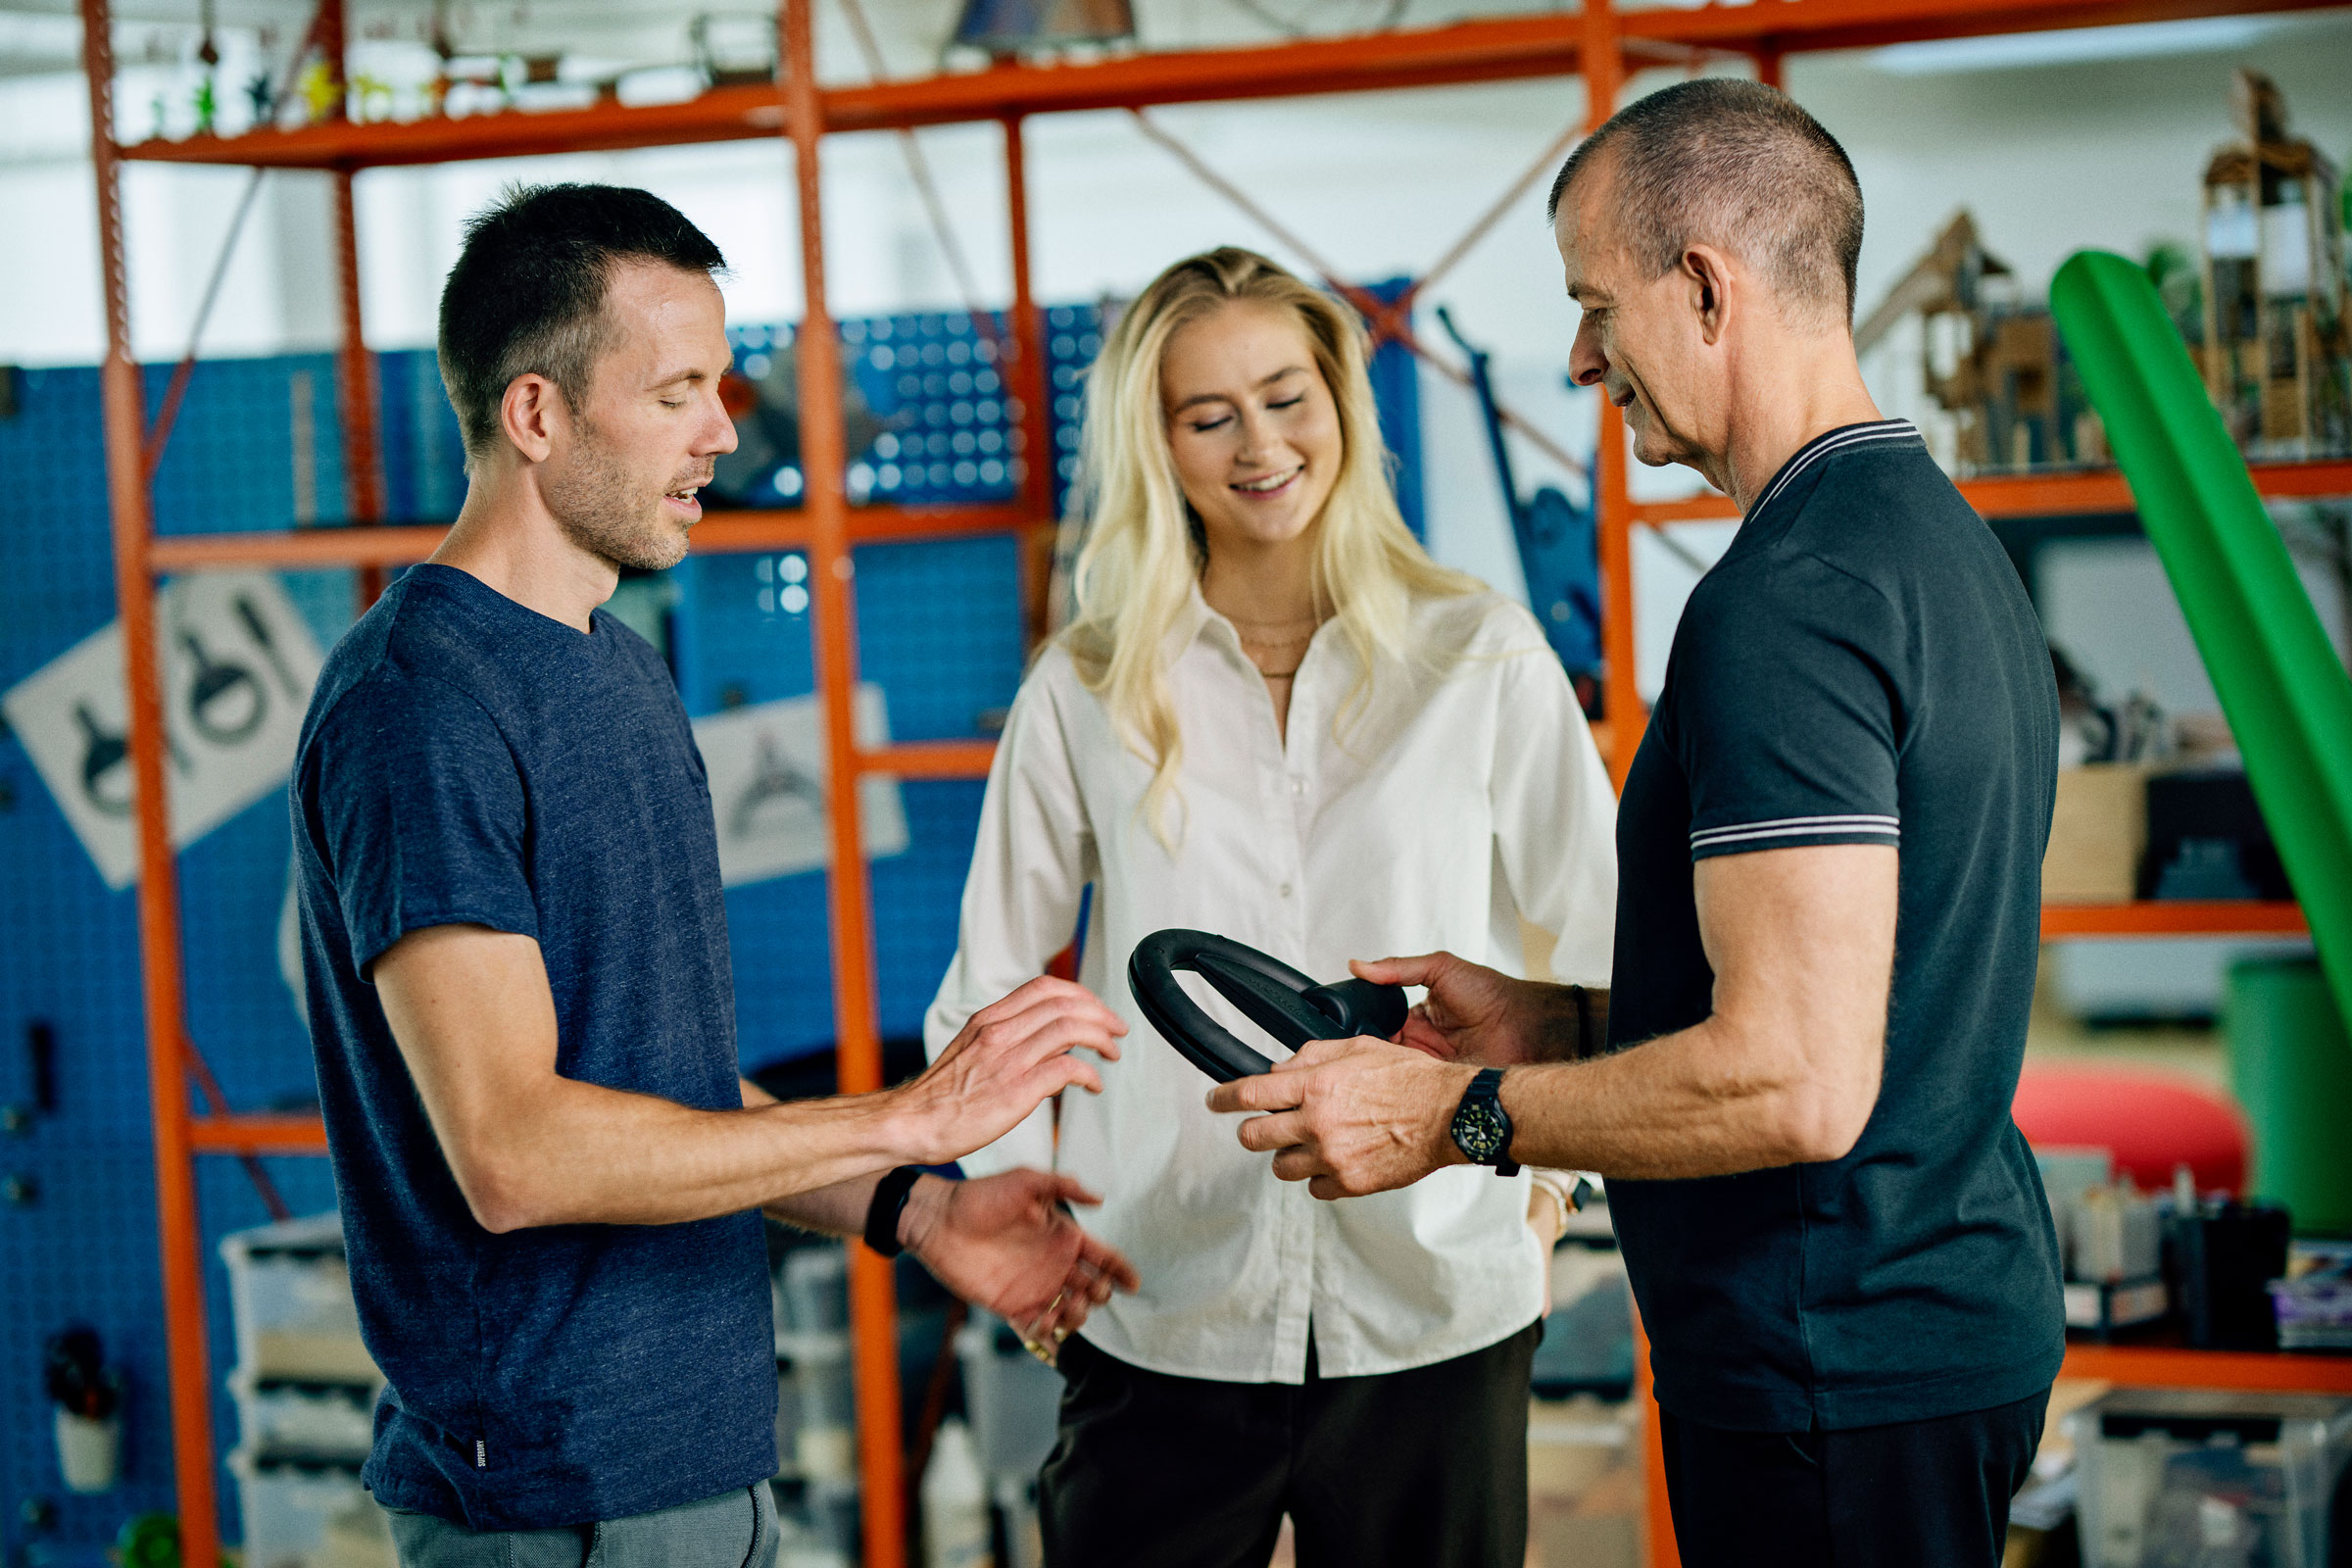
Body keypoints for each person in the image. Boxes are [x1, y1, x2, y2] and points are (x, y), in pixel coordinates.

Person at [1210, 80, 2065, 1568]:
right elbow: (1862, 982)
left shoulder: (1784, 605)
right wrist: (1566, 1024)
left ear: (1706, 286)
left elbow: (1793, 1083)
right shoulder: (1933, 543)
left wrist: (1453, 1119)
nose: (1580, 352)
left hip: (1830, 1369)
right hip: (1923, 1335)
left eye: (1596, 303)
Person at [293, 182, 1135, 1568]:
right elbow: (515, 1153)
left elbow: (657, 1095)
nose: (722, 434)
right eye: (677, 391)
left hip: (695, 1467)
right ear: (536, 417)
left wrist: (920, 1212)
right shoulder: (419, 708)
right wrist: (905, 1119)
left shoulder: (619, 670)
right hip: (550, 1501)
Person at [925, 246, 1616, 1568]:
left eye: (1288, 395)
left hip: (1436, 1305)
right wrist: (1020, 1204)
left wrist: (1546, 1199)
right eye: (1209, 415)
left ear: (1342, 404)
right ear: (1158, 445)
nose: (1262, 444)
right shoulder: (1084, 686)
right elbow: (992, 989)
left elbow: (1601, 948)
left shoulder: (1482, 656)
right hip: (1159, 1302)